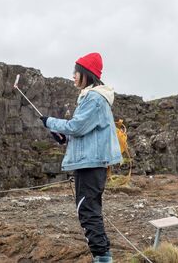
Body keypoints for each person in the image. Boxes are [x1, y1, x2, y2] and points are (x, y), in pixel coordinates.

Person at [39, 52, 122, 263]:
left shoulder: (94, 98)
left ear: (86, 73)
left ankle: (103, 259)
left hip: (91, 165)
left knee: (88, 212)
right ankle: (102, 257)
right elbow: (85, 131)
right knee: (89, 210)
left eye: (75, 72)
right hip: (90, 163)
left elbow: (77, 127)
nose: (73, 76)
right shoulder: (91, 97)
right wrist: (63, 137)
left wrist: (50, 122)